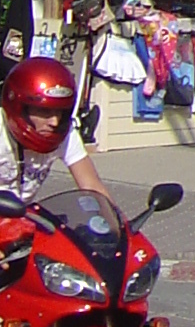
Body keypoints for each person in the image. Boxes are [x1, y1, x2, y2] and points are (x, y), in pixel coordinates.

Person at [1, 53, 117, 216]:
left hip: (19, 222)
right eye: (44, 111)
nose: (54, 122)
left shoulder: (64, 133)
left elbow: (92, 186)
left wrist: (118, 223)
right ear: (18, 107)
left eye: (60, 112)